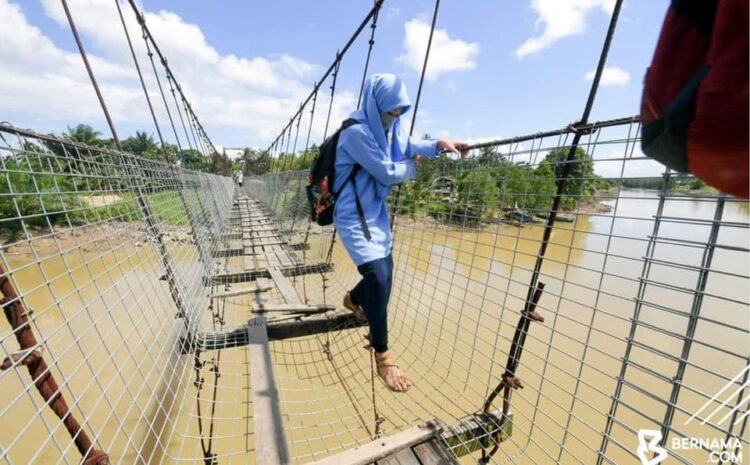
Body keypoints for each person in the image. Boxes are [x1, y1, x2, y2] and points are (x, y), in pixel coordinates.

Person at [333, 73, 468, 392]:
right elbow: (387, 170)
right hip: (353, 214)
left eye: (399, 112)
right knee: (378, 278)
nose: (394, 118)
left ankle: (352, 299)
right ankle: (383, 356)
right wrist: (414, 165)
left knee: (385, 277)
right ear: (375, 103)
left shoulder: (390, 125)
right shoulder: (355, 132)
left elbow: (406, 145)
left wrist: (437, 145)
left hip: (375, 212)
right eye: (390, 111)